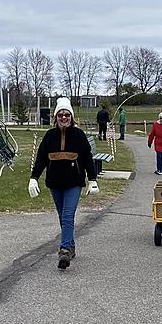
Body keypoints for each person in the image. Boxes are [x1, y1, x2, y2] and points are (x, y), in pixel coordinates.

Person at [28, 97, 99, 270]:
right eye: (60, 114)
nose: (64, 117)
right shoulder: (50, 136)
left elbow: (88, 159)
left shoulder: (79, 135)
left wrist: (92, 180)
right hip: (55, 183)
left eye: (67, 114)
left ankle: (64, 249)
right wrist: (33, 178)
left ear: (72, 117)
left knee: (68, 215)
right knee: (62, 216)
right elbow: (41, 159)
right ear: (55, 117)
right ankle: (71, 245)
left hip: (73, 183)